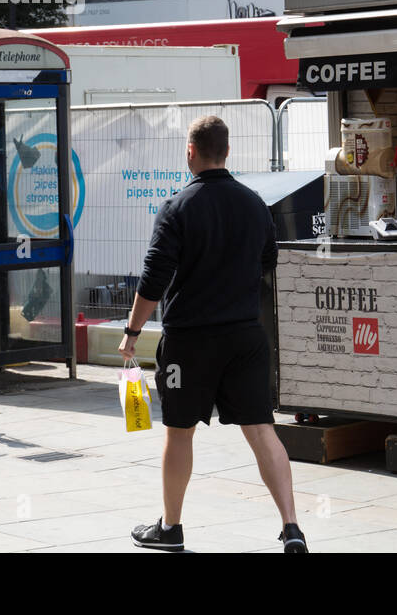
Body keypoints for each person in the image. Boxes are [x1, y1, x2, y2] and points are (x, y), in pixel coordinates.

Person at [120, 115, 306, 553]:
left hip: (191, 341)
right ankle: (292, 527)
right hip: (246, 336)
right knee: (262, 429)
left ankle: (171, 529)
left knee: (179, 431)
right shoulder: (255, 204)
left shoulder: (177, 207)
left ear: (191, 152)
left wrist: (131, 331)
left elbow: (153, 280)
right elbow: (268, 260)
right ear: (227, 152)